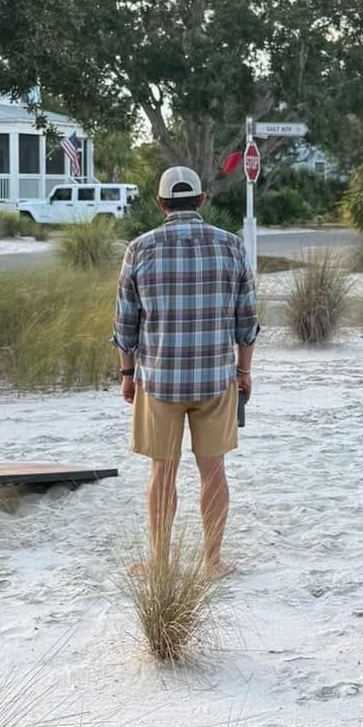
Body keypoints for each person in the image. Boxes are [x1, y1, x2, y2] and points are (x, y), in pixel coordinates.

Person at [113, 165, 258, 574]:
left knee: (162, 472)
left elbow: (125, 323)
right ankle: (213, 561)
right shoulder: (231, 246)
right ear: (201, 200)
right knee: (213, 471)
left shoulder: (139, 249)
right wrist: (243, 372)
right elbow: (247, 320)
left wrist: (127, 375)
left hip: (158, 380)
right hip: (216, 378)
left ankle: (160, 562)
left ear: (160, 203)